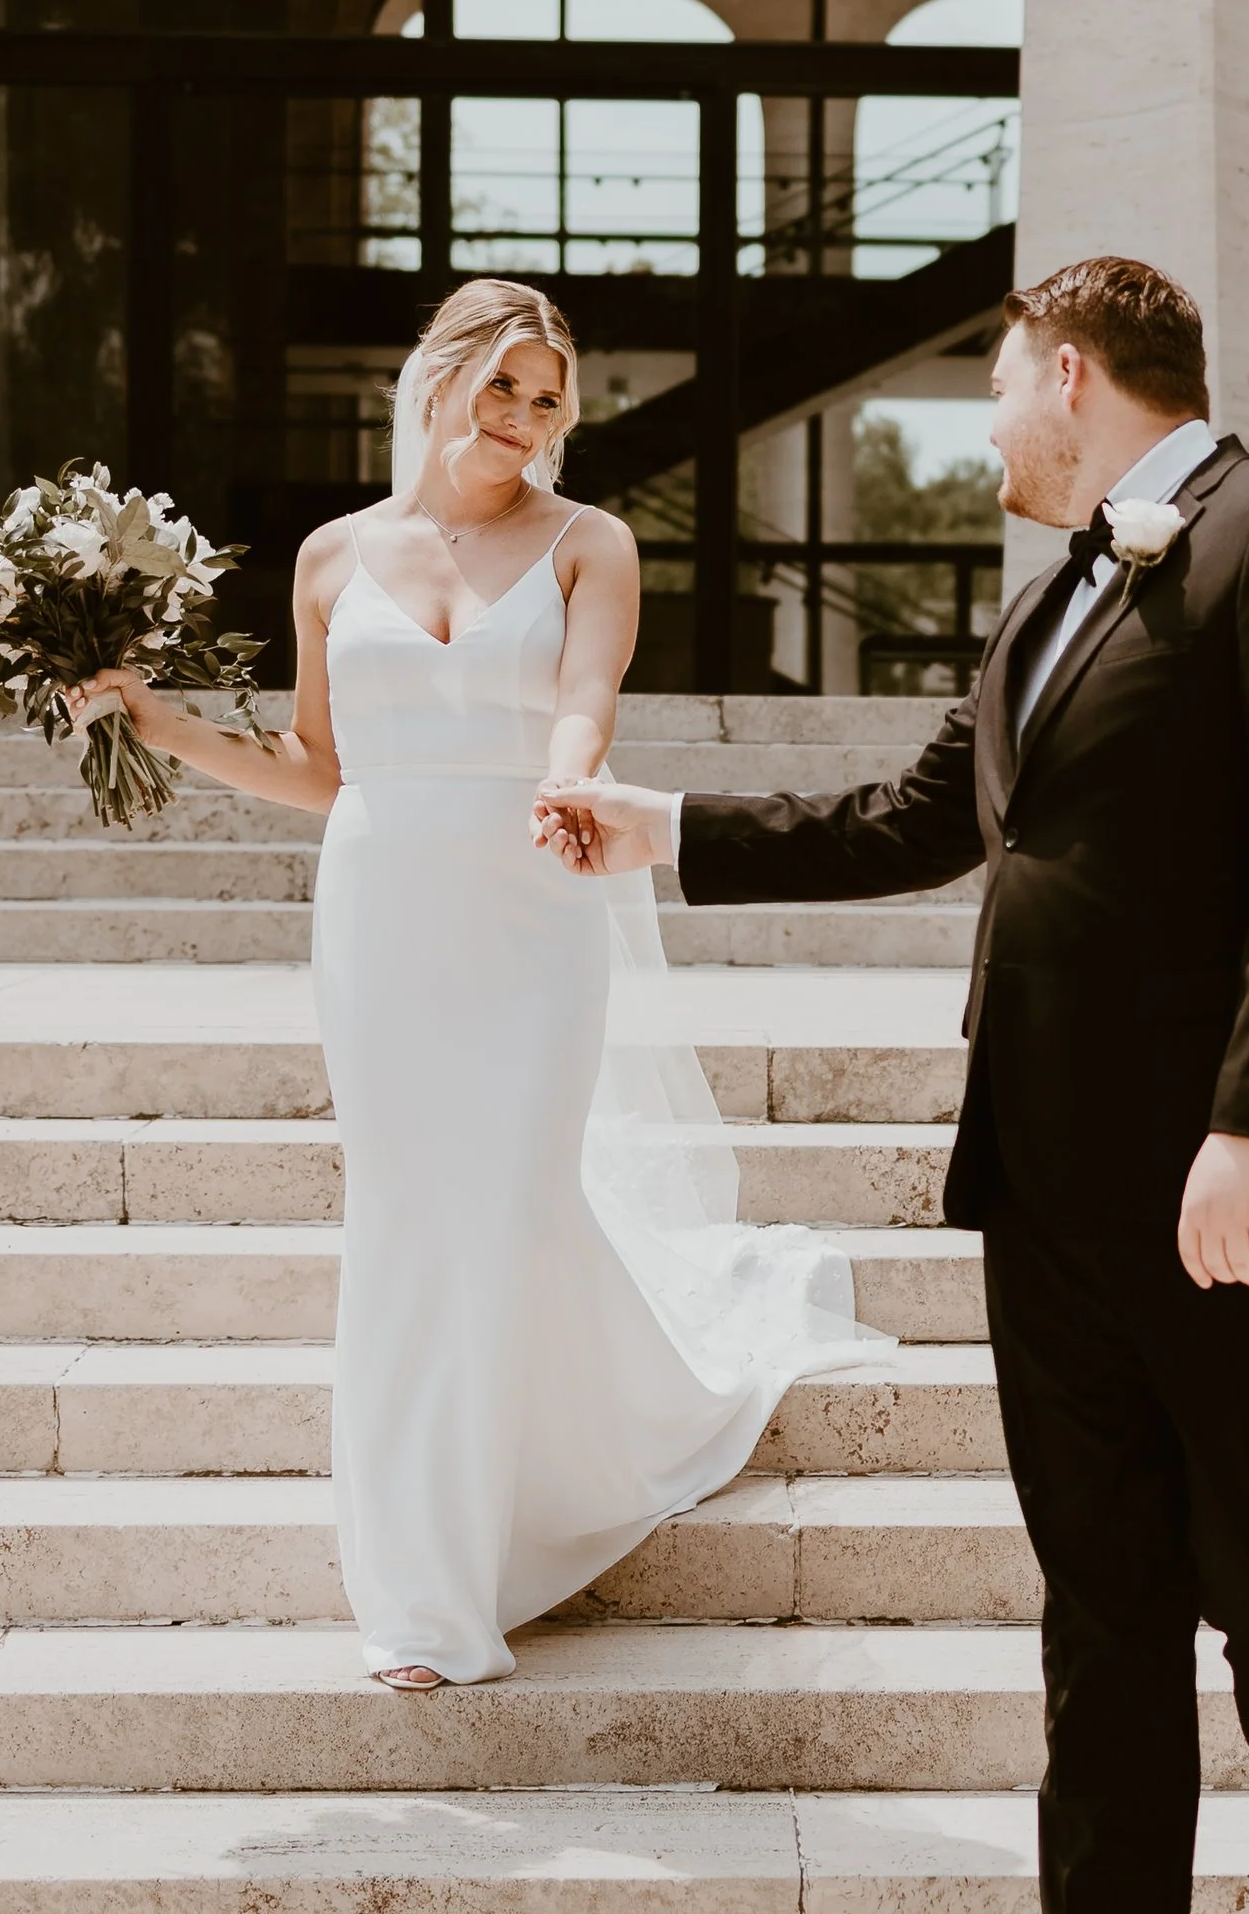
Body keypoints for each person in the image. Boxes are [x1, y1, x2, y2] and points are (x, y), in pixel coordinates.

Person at [536, 254, 1249, 1914]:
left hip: (1240, 1190)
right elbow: (919, 816)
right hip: (1046, 1190)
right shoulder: (1050, 602)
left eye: (1001, 387)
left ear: (1077, 369)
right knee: (1100, 1618)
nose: (989, 428)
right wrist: (666, 828)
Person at [70, 276, 869, 1688]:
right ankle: (425, 1593)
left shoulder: (589, 542)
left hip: (533, 898)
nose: (524, 414)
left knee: (506, 1205)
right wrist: (162, 722)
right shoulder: (331, 558)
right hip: (383, 913)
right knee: (407, 1225)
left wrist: (570, 774)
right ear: (438, 378)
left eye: (549, 395)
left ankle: (538, 1496)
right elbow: (322, 772)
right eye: (504, 383)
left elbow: (586, 697)